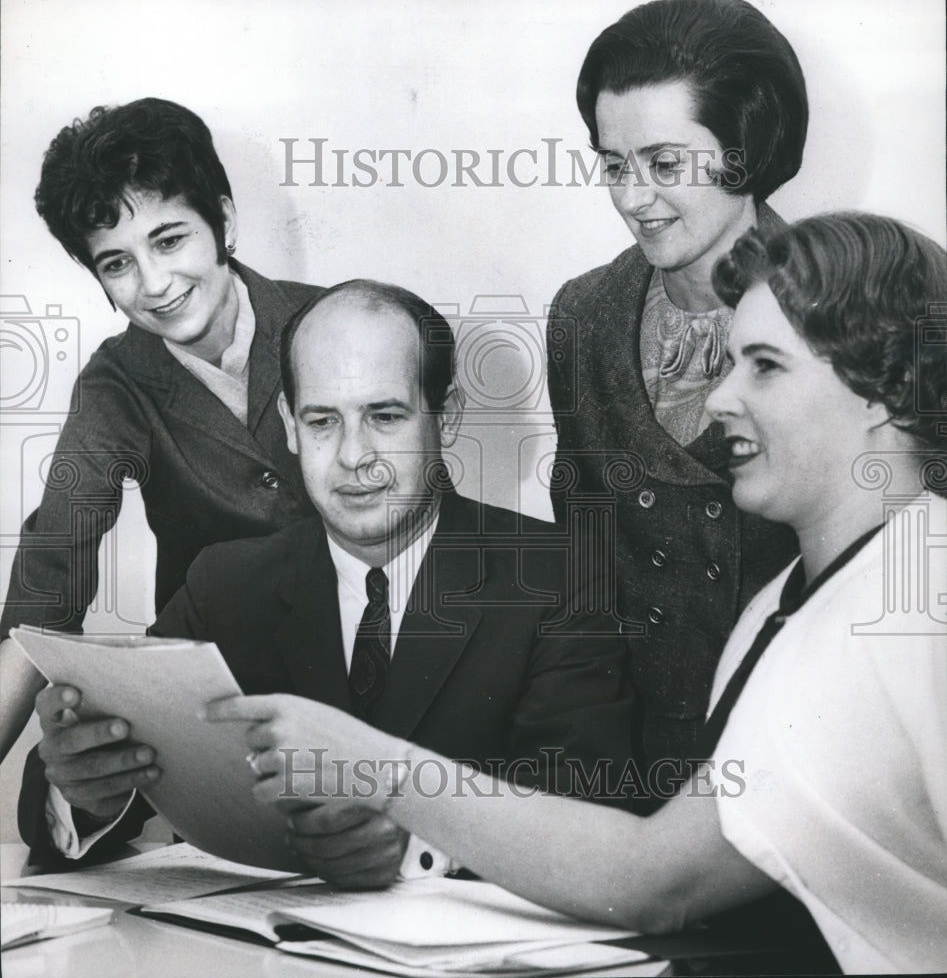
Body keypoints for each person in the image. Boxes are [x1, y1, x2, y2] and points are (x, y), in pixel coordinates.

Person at [212, 213, 947, 974]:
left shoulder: (907, 608)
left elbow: (657, 881)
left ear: (883, 387)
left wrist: (372, 766)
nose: (720, 397)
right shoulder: (797, 597)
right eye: (728, 362)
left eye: (763, 365)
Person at [19, 280, 633, 886]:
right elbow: (103, 786)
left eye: (385, 416)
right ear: (289, 425)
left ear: (446, 418)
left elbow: (589, 817)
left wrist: (425, 844)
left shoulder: (558, 575)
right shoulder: (223, 584)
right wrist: (88, 791)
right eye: (322, 421)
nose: (351, 456)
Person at [0, 98, 323, 763]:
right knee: (65, 783)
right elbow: (46, 586)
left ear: (224, 222)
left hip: (375, 678)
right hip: (218, 703)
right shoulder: (116, 383)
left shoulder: (335, 321)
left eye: (169, 239)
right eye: (116, 263)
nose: (154, 283)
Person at [546, 0, 807, 799]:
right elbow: (583, 566)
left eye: (663, 164)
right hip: (635, 765)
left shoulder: (851, 303)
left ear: (744, 148)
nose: (631, 198)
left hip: (796, 758)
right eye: (613, 164)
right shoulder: (582, 314)